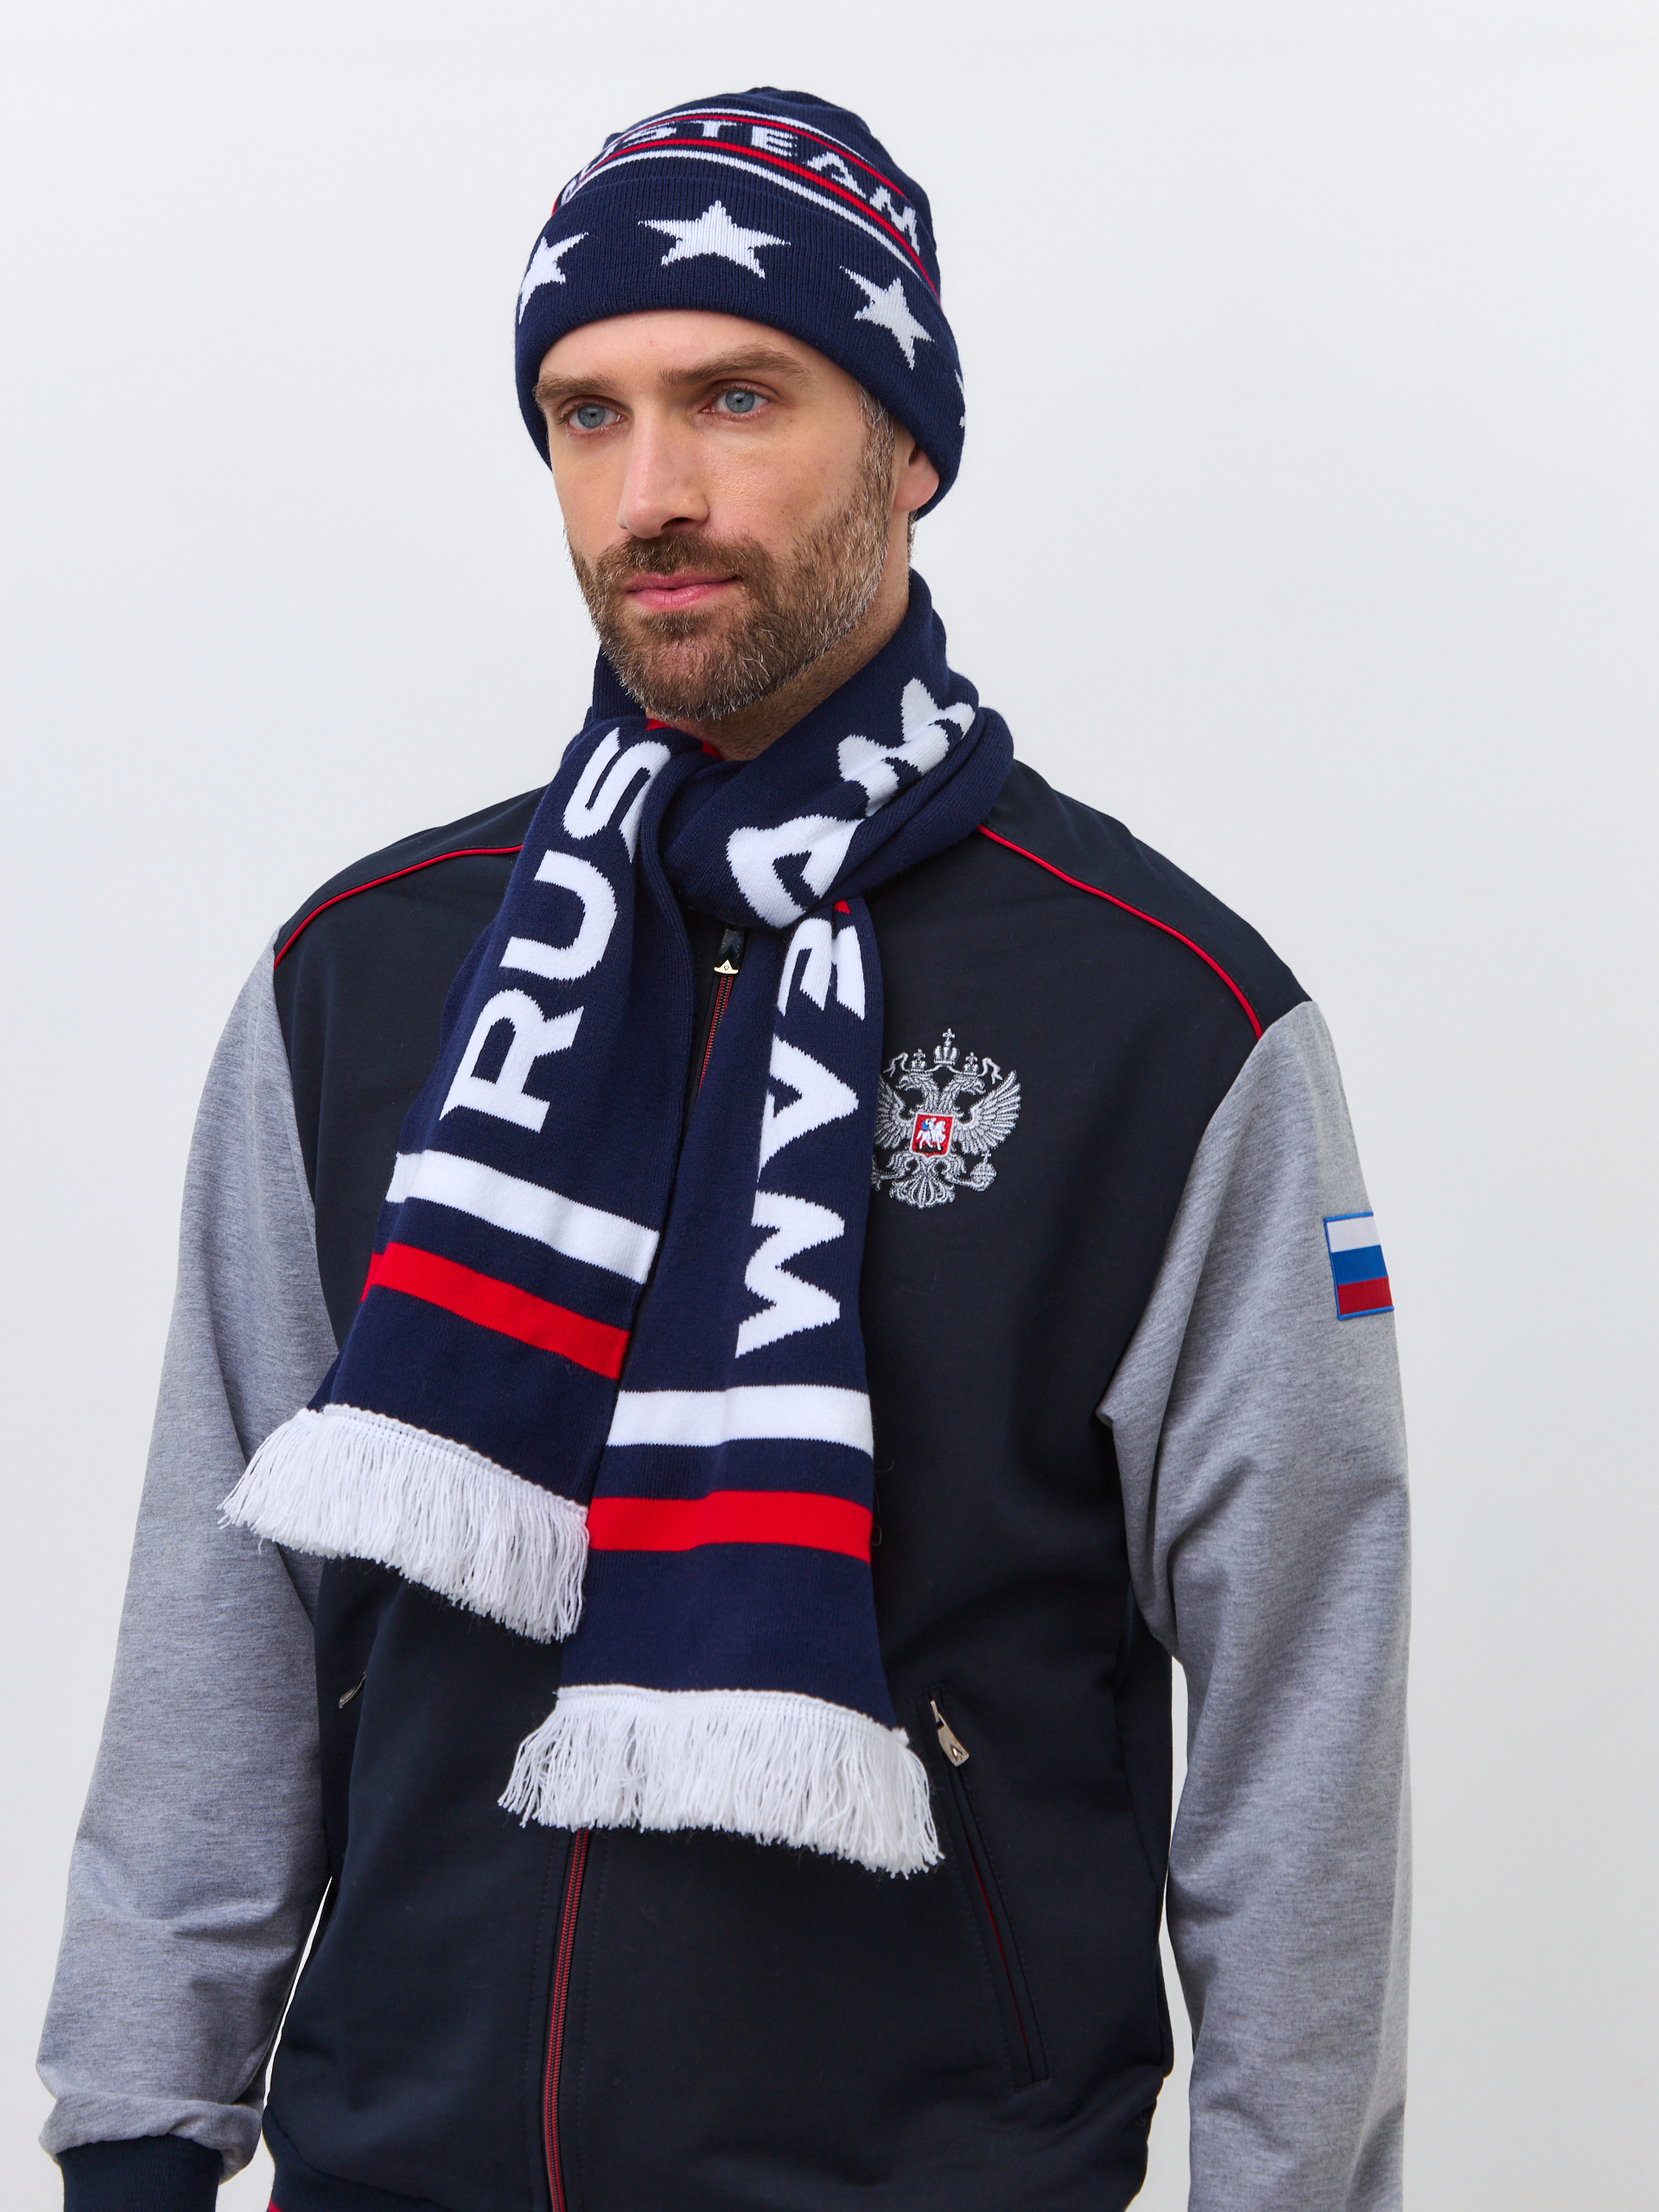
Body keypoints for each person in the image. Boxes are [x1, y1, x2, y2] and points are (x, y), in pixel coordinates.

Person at [38, 86, 1410, 2212]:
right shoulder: (361, 978)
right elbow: (220, 1628)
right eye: (585, 416)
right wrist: (137, 2140)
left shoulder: (1168, 1021)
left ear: (910, 443)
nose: (650, 494)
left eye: (736, 397)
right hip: (395, 2167)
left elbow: (1300, 1716)